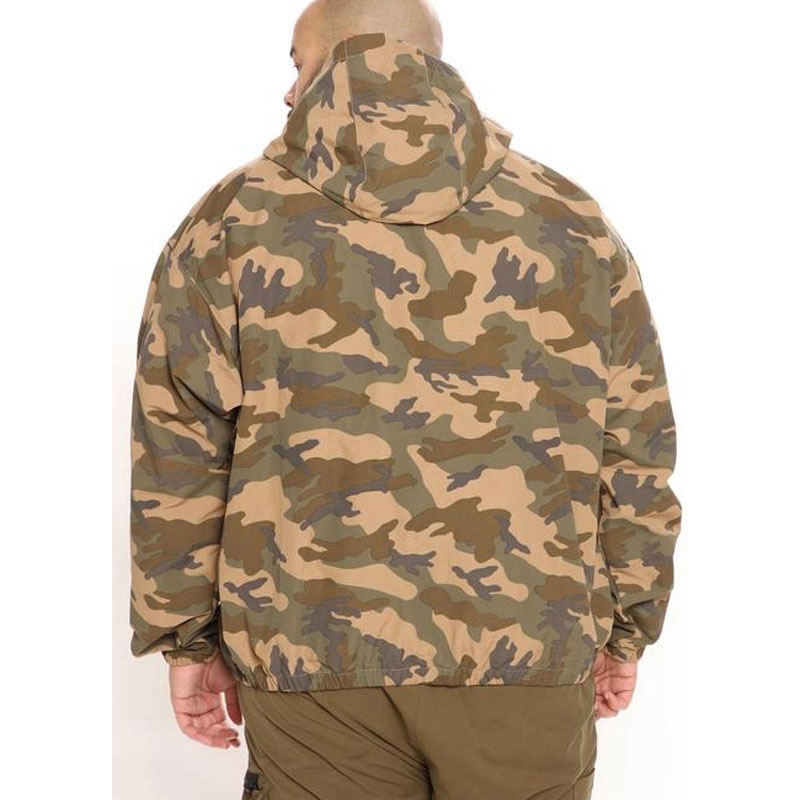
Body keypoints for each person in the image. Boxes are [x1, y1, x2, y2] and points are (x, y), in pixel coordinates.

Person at [129, 1, 682, 797]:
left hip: (310, 655)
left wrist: (185, 639)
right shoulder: (571, 222)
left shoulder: (233, 221)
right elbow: (636, 445)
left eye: (296, 63)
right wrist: (627, 625)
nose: (288, 91)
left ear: (335, 59)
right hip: (526, 650)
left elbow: (178, 447)